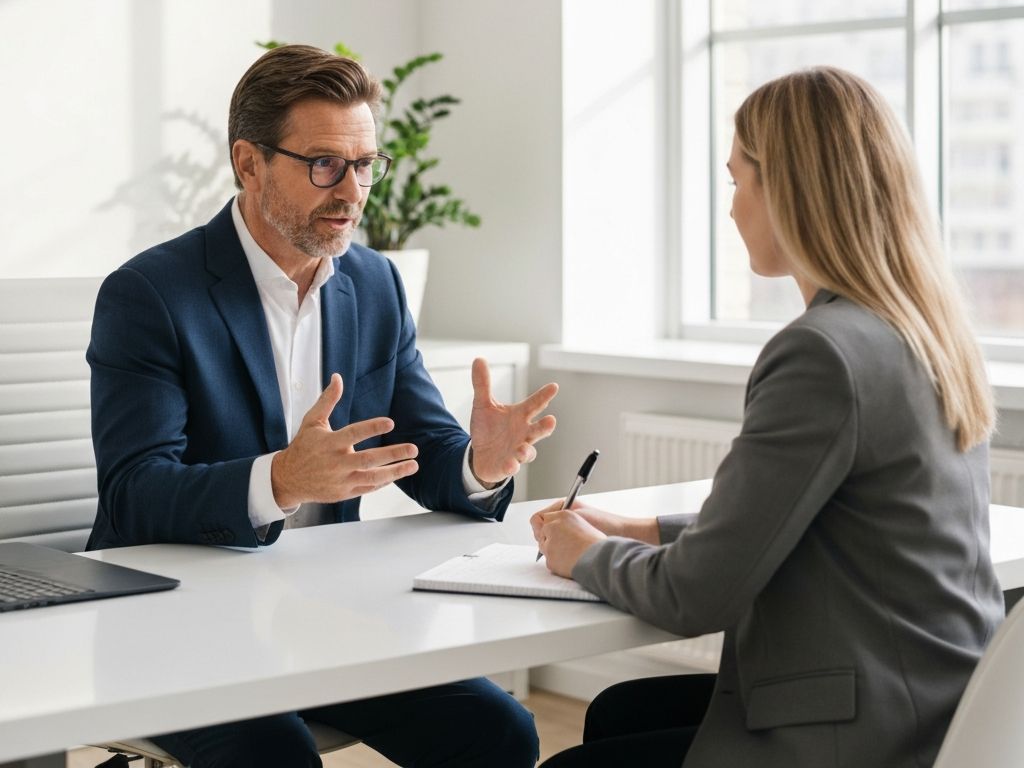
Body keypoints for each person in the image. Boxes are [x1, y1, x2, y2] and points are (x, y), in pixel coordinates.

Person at [87, 43, 557, 768]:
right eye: (324, 164)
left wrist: (478, 464)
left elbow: (420, 447)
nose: (352, 191)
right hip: (174, 624)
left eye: (365, 164)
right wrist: (280, 481)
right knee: (272, 752)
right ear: (249, 164)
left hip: (318, 612)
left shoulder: (374, 284)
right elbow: (134, 491)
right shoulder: (150, 295)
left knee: (498, 729)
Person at [532, 66, 1003, 768]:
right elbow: (828, 522)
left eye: (736, 181)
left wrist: (585, 554)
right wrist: (646, 529)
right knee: (619, 713)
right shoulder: (923, 330)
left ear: (788, 188)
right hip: (935, 706)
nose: (732, 209)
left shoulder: (821, 353)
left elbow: (695, 597)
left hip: (858, 734)